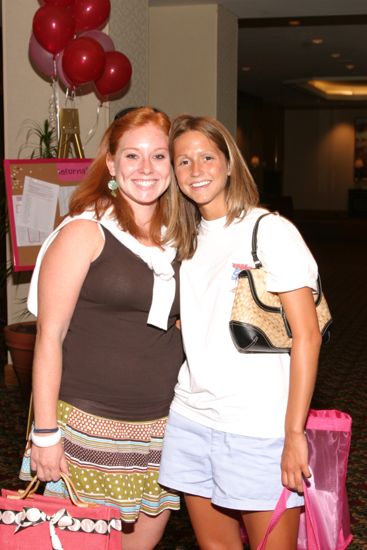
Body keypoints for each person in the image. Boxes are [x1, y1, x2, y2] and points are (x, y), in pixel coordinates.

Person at [20, 107, 185, 550]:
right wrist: (46, 433)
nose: (146, 169)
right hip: (84, 430)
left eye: (159, 156)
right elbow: (49, 337)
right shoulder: (85, 232)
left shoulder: (181, 238)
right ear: (111, 164)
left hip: (160, 430)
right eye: (132, 156)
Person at [158, 115, 322, 549]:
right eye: (183, 161)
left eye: (207, 157)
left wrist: (293, 434)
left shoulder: (268, 231)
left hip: (258, 426)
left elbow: (308, 335)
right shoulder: (184, 239)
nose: (196, 170)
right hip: (192, 417)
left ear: (230, 164)